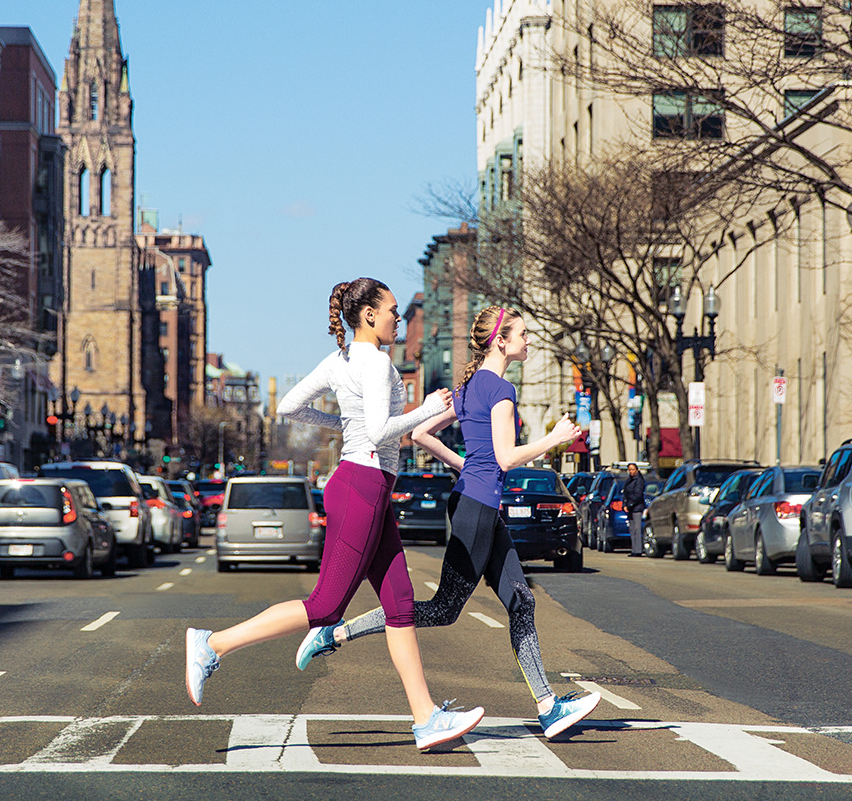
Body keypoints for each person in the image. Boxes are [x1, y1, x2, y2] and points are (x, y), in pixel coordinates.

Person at [185, 278, 485, 751]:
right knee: (325, 606)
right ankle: (213, 644)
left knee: (401, 603)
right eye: (390, 310)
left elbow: (289, 407)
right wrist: (425, 409)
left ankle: (427, 718)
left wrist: (342, 424)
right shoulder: (375, 361)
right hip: (362, 485)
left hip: (365, 485)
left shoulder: (341, 359)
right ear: (368, 314)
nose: (396, 318)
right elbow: (382, 429)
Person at [296, 305, 603, 740]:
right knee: (443, 609)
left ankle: (549, 707)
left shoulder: (470, 386)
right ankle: (334, 634)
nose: (528, 341)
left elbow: (421, 434)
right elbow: (505, 458)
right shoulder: (499, 389)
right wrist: (552, 440)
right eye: (523, 334)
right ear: (501, 340)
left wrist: (466, 466)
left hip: (476, 504)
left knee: (522, 602)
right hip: (477, 510)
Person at [623, 462, 647, 557]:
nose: (631, 471)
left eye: (633, 469)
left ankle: (638, 550)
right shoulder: (629, 480)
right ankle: (634, 549)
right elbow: (625, 493)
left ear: (637, 470)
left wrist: (630, 504)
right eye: (629, 469)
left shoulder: (639, 480)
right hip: (630, 508)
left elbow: (638, 494)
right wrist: (625, 504)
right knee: (632, 529)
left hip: (637, 508)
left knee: (637, 529)